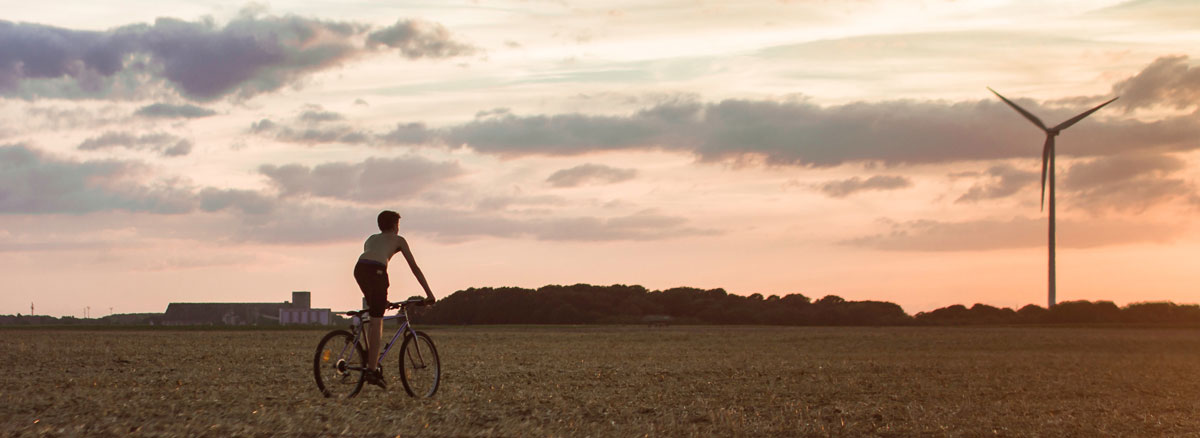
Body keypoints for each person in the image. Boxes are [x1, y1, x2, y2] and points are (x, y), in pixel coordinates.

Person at [354, 210, 435, 390]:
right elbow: (414, 267)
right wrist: (429, 294)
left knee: (375, 310)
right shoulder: (399, 240)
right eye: (398, 225)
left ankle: (369, 357)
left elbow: (370, 259)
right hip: (377, 270)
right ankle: (372, 370)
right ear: (394, 226)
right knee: (377, 320)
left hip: (359, 269)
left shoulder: (370, 239)